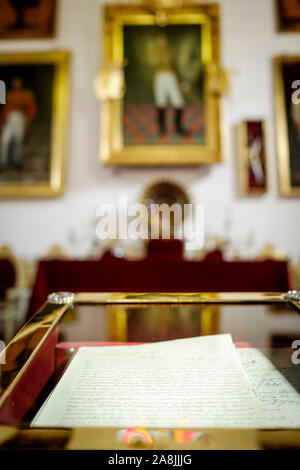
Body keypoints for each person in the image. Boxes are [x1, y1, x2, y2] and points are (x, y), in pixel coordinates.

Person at [149, 33, 189, 136]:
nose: (161, 42)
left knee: (178, 101)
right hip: (159, 77)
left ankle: (178, 127)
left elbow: (176, 66)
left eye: (163, 39)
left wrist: (181, 81)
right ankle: (162, 128)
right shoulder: (154, 53)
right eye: (159, 40)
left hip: (171, 76)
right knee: (160, 101)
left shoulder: (171, 51)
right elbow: (152, 65)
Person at [0, 76, 37, 170]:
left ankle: (16, 161)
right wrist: (2, 121)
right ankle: (3, 162)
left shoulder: (26, 94)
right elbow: (5, 109)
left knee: (18, 140)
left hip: (20, 117)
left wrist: (27, 119)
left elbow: (32, 108)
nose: (16, 85)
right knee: (4, 139)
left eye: (18, 83)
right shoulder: (9, 94)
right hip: (10, 118)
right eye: (14, 83)